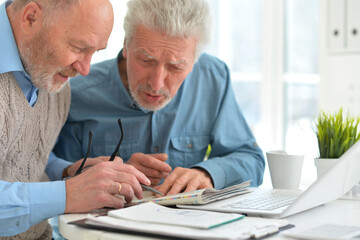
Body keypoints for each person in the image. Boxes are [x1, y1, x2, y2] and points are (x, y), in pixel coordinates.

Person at [54, 0, 265, 196]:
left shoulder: (213, 78)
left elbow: (251, 160)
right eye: (146, 60)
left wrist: (208, 174)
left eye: (175, 67)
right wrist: (109, 175)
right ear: (126, 45)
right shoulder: (75, 91)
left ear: (195, 60)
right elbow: (47, 171)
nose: (156, 84)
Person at [0, 0, 151, 239]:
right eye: (79, 48)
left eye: (96, 52)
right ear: (30, 18)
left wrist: (69, 173)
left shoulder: (54, 80)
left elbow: (22, 154)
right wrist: (69, 194)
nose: (85, 69)